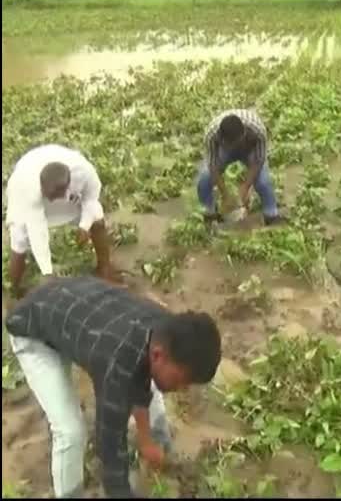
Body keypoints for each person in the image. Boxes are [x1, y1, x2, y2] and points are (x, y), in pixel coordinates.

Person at [4, 276, 222, 498]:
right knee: (70, 432)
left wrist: (145, 440)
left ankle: (159, 447)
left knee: (152, 387)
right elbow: (111, 454)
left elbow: (142, 378)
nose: (183, 389)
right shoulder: (116, 366)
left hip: (75, 303)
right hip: (34, 328)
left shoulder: (167, 329)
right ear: (158, 355)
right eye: (182, 380)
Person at [5, 144, 121, 299]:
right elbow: (37, 231)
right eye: (47, 195)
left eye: (53, 196)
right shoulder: (30, 189)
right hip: (24, 191)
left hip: (67, 192)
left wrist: (84, 226)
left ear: (66, 186)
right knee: (20, 239)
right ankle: (13, 289)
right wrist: (47, 271)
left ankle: (104, 268)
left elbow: (91, 198)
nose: (51, 200)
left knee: (97, 218)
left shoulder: (84, 172)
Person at [197, 109, 282, 225]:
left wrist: (246, 187)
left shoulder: (257, 130)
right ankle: (209, 213)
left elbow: (258, 161)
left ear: (244, 134)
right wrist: (225, 194)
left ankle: (271, 215)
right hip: (224, 151)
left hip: (250, 149)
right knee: (204, 179)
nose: (233, 147)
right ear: (221, 138)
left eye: (235, 143)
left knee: (263, 182)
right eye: (229, 144)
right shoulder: (211, 135)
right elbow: (213, 166)